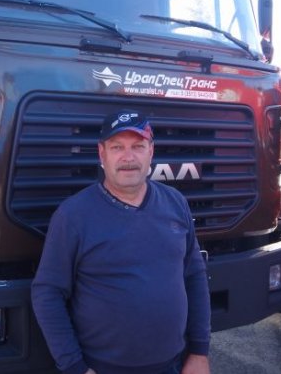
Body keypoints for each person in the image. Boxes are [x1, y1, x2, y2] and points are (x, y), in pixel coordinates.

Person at [31, 110, 211, 374]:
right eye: (117, 147)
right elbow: (47, 292)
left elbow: (194, 276)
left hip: (173, 365)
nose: (128, 157)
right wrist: (75, 367)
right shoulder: (73, 216)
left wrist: (199, 352)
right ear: (101, 154)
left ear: (151, 151)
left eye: (138, 146)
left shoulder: (175, 202)